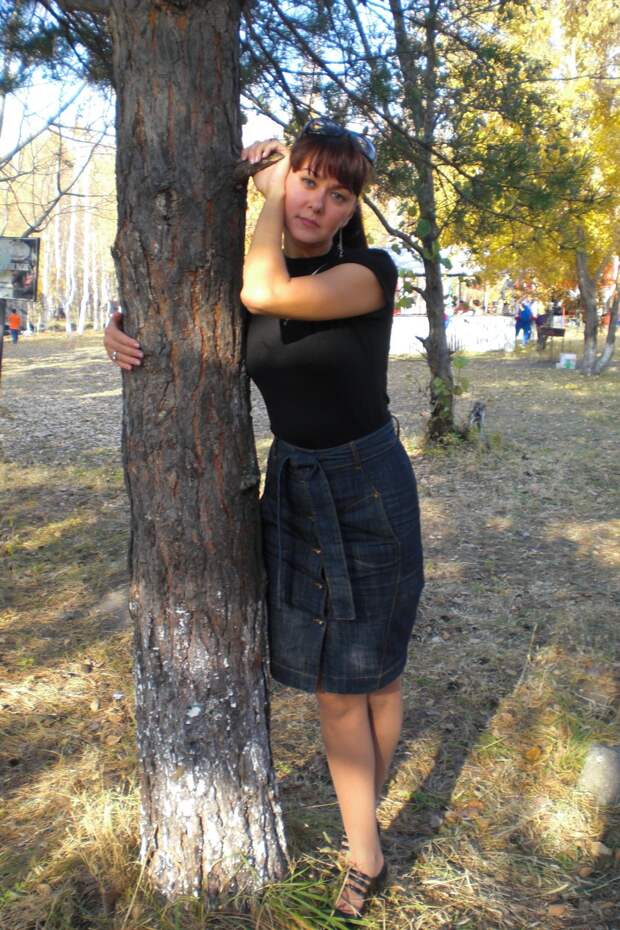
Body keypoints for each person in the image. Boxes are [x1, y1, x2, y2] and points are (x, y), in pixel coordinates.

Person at [103, 117, 424, 925]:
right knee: (334, 689)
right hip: (296, 486)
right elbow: (182, 300)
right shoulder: (256, 264)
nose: (317, 202)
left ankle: (362, 840)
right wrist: (120, 324)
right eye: (308, 181)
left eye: (338, 194)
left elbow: (263, 296)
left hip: (368, 485)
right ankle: (368, 845)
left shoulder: (367, 274)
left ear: (353, 210)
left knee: (376, 674)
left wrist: (270, 190)